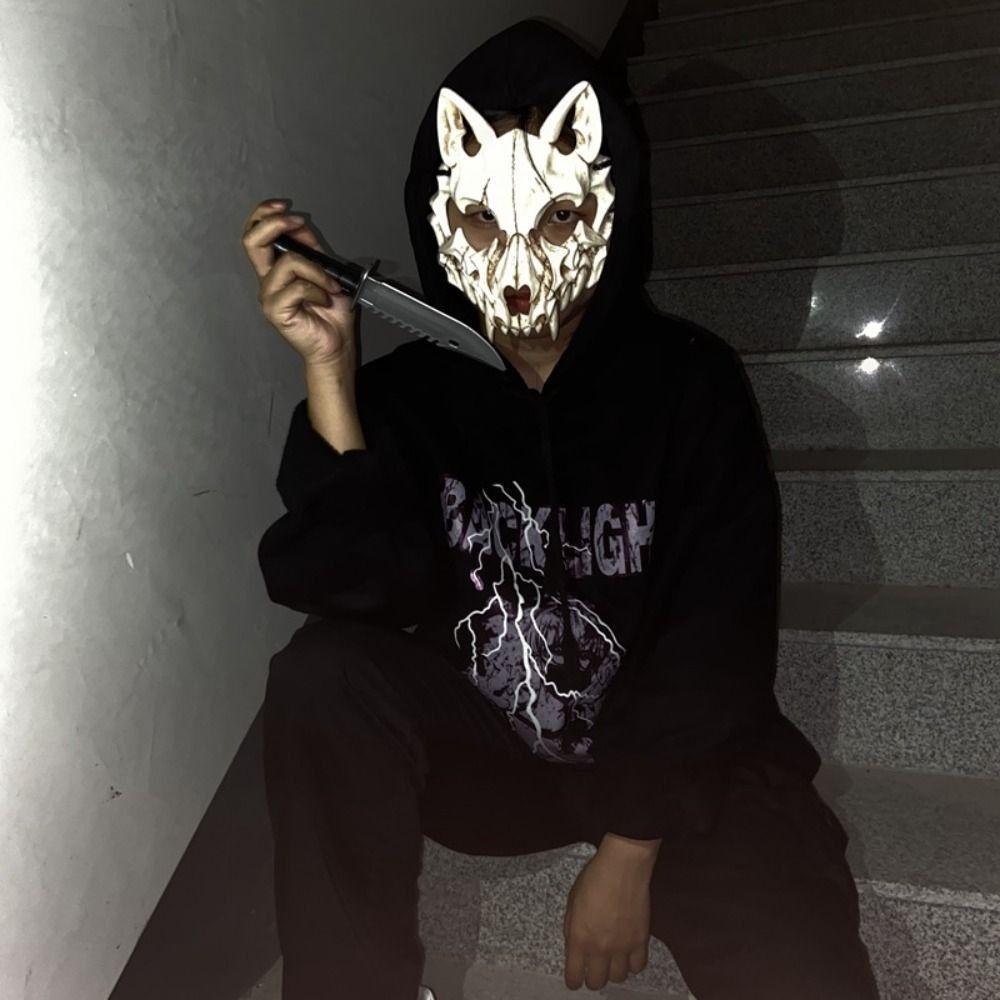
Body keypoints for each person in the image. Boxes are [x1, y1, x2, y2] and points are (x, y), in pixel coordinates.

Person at [243, 18, 882, 1000]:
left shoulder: (689, 382)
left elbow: (718, 633)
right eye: (484, 222)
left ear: (606, 209)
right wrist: (331, 368)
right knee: (320, 673)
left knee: (791, 932)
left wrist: (630, 851)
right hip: (494, 756)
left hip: (676, 760)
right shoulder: (412, 395)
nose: (516, 259)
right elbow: (347, 587)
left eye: (550, 218)